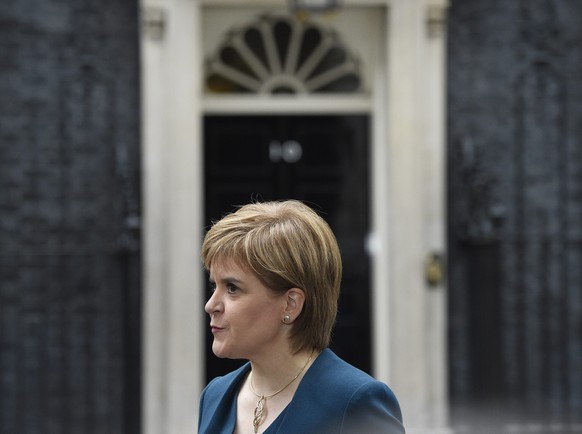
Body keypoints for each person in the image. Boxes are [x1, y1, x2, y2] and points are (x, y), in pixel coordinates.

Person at [198, 200, 405, 434]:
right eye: (214, 285)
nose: (210, 305)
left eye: (232, 288)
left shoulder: (355, 403)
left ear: (291, 303)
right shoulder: (214, 396)